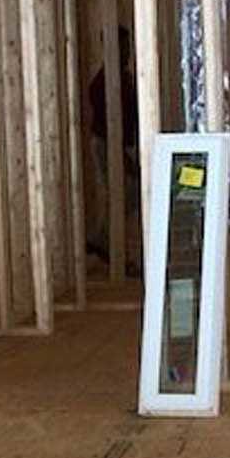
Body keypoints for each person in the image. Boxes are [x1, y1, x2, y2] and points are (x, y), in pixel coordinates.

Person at [88, 27, 141, 274]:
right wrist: (122, 157)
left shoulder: (124, 77)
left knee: (125, 195)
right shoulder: (104, 82)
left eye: (127, 46)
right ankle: (107, 247)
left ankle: (102, 241)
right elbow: (109, 125)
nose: (127, 51)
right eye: (122, 46)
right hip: (108, 144)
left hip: (118, 145)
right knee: (123, 194)